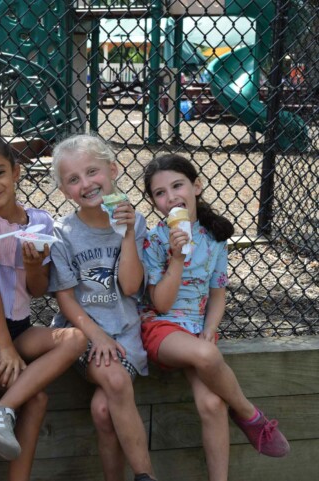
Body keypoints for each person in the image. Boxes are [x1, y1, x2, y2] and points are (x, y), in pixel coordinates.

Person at [140, 154, 289, 480]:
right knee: (207, 354)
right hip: (160, 327)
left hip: (197, 330)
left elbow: (217, 292)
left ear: (196, 186)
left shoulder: (214, 239)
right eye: (160, 193)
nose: (171, 197)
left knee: (212, 404)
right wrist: (176, 259)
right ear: (154, 202)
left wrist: (210, 328)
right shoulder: (155, 239)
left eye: (177, 185)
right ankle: (251, 415)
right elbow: (161, 305)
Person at [0, 135, 87, 480]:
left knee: (74, 339)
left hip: (20, 325)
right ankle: (3, 419)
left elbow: (38, 289)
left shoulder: (40, 222)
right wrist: (5, 349)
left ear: (16, 172)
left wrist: (32, 266)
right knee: (37, 399)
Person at [48, 134, 157, 481]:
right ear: (64, 191)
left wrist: (126, 234)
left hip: (126, 332)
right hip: (83, 332)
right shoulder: (62, 232)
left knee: (103, 410)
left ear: (113, 170)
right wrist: (95, 336)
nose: (86, 184)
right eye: (73, 179)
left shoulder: (135, 223)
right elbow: (65, 298)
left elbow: (129, 287)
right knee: (114, 379)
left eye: (92, 172)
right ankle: (146, 475)